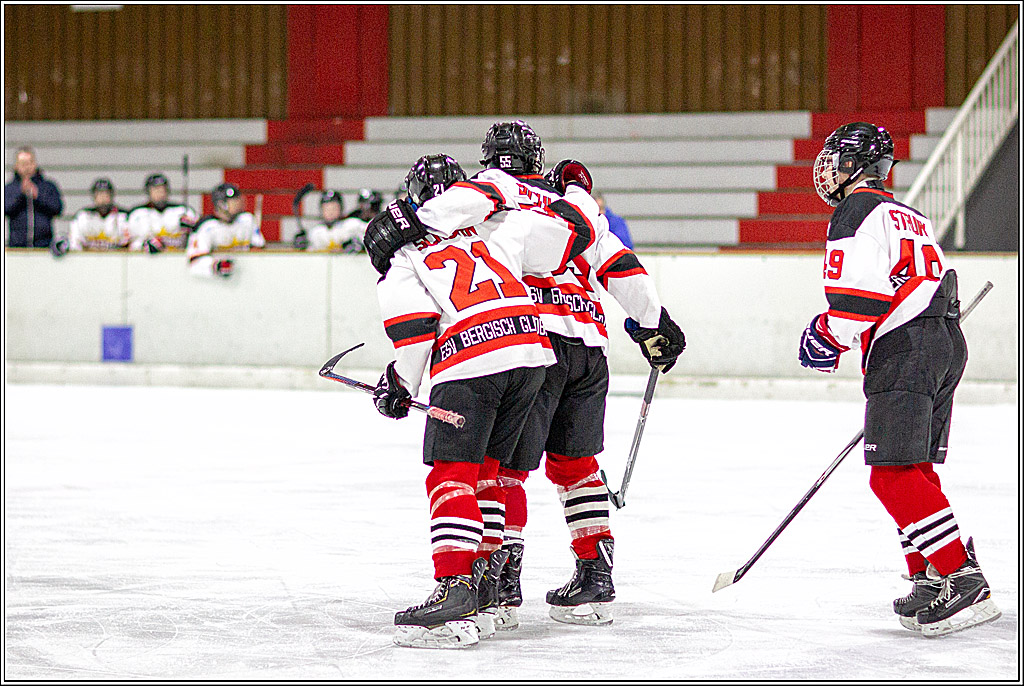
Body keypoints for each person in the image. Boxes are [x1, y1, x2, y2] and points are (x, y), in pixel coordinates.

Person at [364, 121, 686, 630]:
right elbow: (619, 265)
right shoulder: (570, 207)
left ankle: (495, 584)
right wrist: (652, 322)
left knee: (499, 471)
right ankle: (594, 574)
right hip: (587, 346)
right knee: (577, 464)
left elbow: (444, 229)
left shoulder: (490, 200)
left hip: (522, 343)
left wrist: (405, 220)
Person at [368, 153, 597, 649]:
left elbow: (414, 338)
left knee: (452, 475)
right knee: (491, 474)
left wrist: (398, 388)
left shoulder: (403, 257)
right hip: (532, 357)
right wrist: (553, 194)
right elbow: (577, 236)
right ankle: (488, 594)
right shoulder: (499, 230)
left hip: (471, 362)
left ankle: (455, 594)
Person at [801, 122, 1000, 637]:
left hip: (907, 349)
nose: (827, 169)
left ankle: (961, 575)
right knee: (914, 467)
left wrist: (825, 336)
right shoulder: (910, 214)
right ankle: (929, 576)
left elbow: (859, 298)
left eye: (834, 159)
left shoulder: (855, 210)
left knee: (890, 474)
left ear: (851, 166)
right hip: (942, 342)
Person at [186, 182, 264, 278]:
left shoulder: (247, 219)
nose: (239, 202)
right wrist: (216, 266)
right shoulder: (206, 226)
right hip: (214, 284)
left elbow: (259, 248)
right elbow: (195, 261)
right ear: (221, 204)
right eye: (233, 200)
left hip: (245, 279)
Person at [4, 146, 63, 248]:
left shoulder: (47, 186)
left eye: (30, 163)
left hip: (44, 245)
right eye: (23, 164)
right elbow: (6, 209)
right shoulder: (9, 188)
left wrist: (38, 197)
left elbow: (57, 208)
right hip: (17, 246)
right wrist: (21, 195)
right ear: (16, 166)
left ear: (35, 164)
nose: (27, 167)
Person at [127, 173, 198, 253]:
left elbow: (196, 239)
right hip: (146, 261)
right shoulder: (137, 214)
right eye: (156, 189)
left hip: (177, 259)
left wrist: (190, 230)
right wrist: (144, 245)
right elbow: (131, 244)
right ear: (148, 192)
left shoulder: (183, 211)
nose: (160, 193)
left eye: (163, 189)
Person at [59, 178, 130, 253]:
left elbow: (129, 244)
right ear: (94, 197)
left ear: (111, 196)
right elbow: (75, 243)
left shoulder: (123, 216)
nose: (102, 198)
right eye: (99, 194)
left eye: (106, 194)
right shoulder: (83, 216)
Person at [301, 190, 366, 253]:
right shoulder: (315, 232)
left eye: (334, 208)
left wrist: (361, 245)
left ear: (341, 209)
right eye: (327, 209)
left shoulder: (353, 225)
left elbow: (370, 238)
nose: (330, 212)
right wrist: (301, 246)